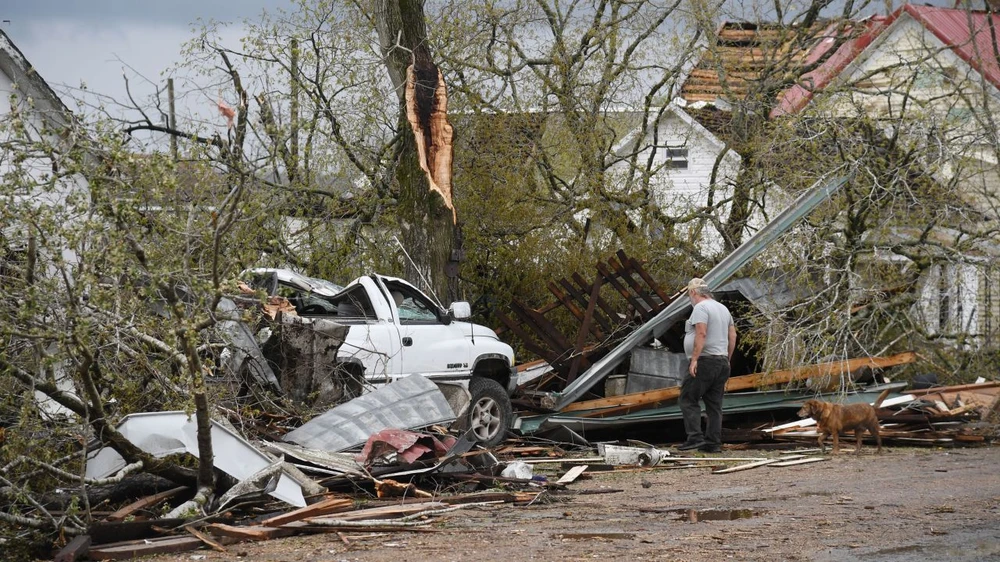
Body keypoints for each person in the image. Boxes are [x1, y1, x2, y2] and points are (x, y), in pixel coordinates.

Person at [677, 278, 737, 453]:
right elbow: (732, 336)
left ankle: (695, 437)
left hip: (705, 361)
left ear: (694, 292)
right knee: (714, 404)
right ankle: (713, 443)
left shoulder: (700, 308)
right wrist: (727, 358)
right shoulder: (723, 309)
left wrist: (694, 359)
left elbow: (701, 333)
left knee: (688, 398)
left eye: (690, 294)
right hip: (721, 361)